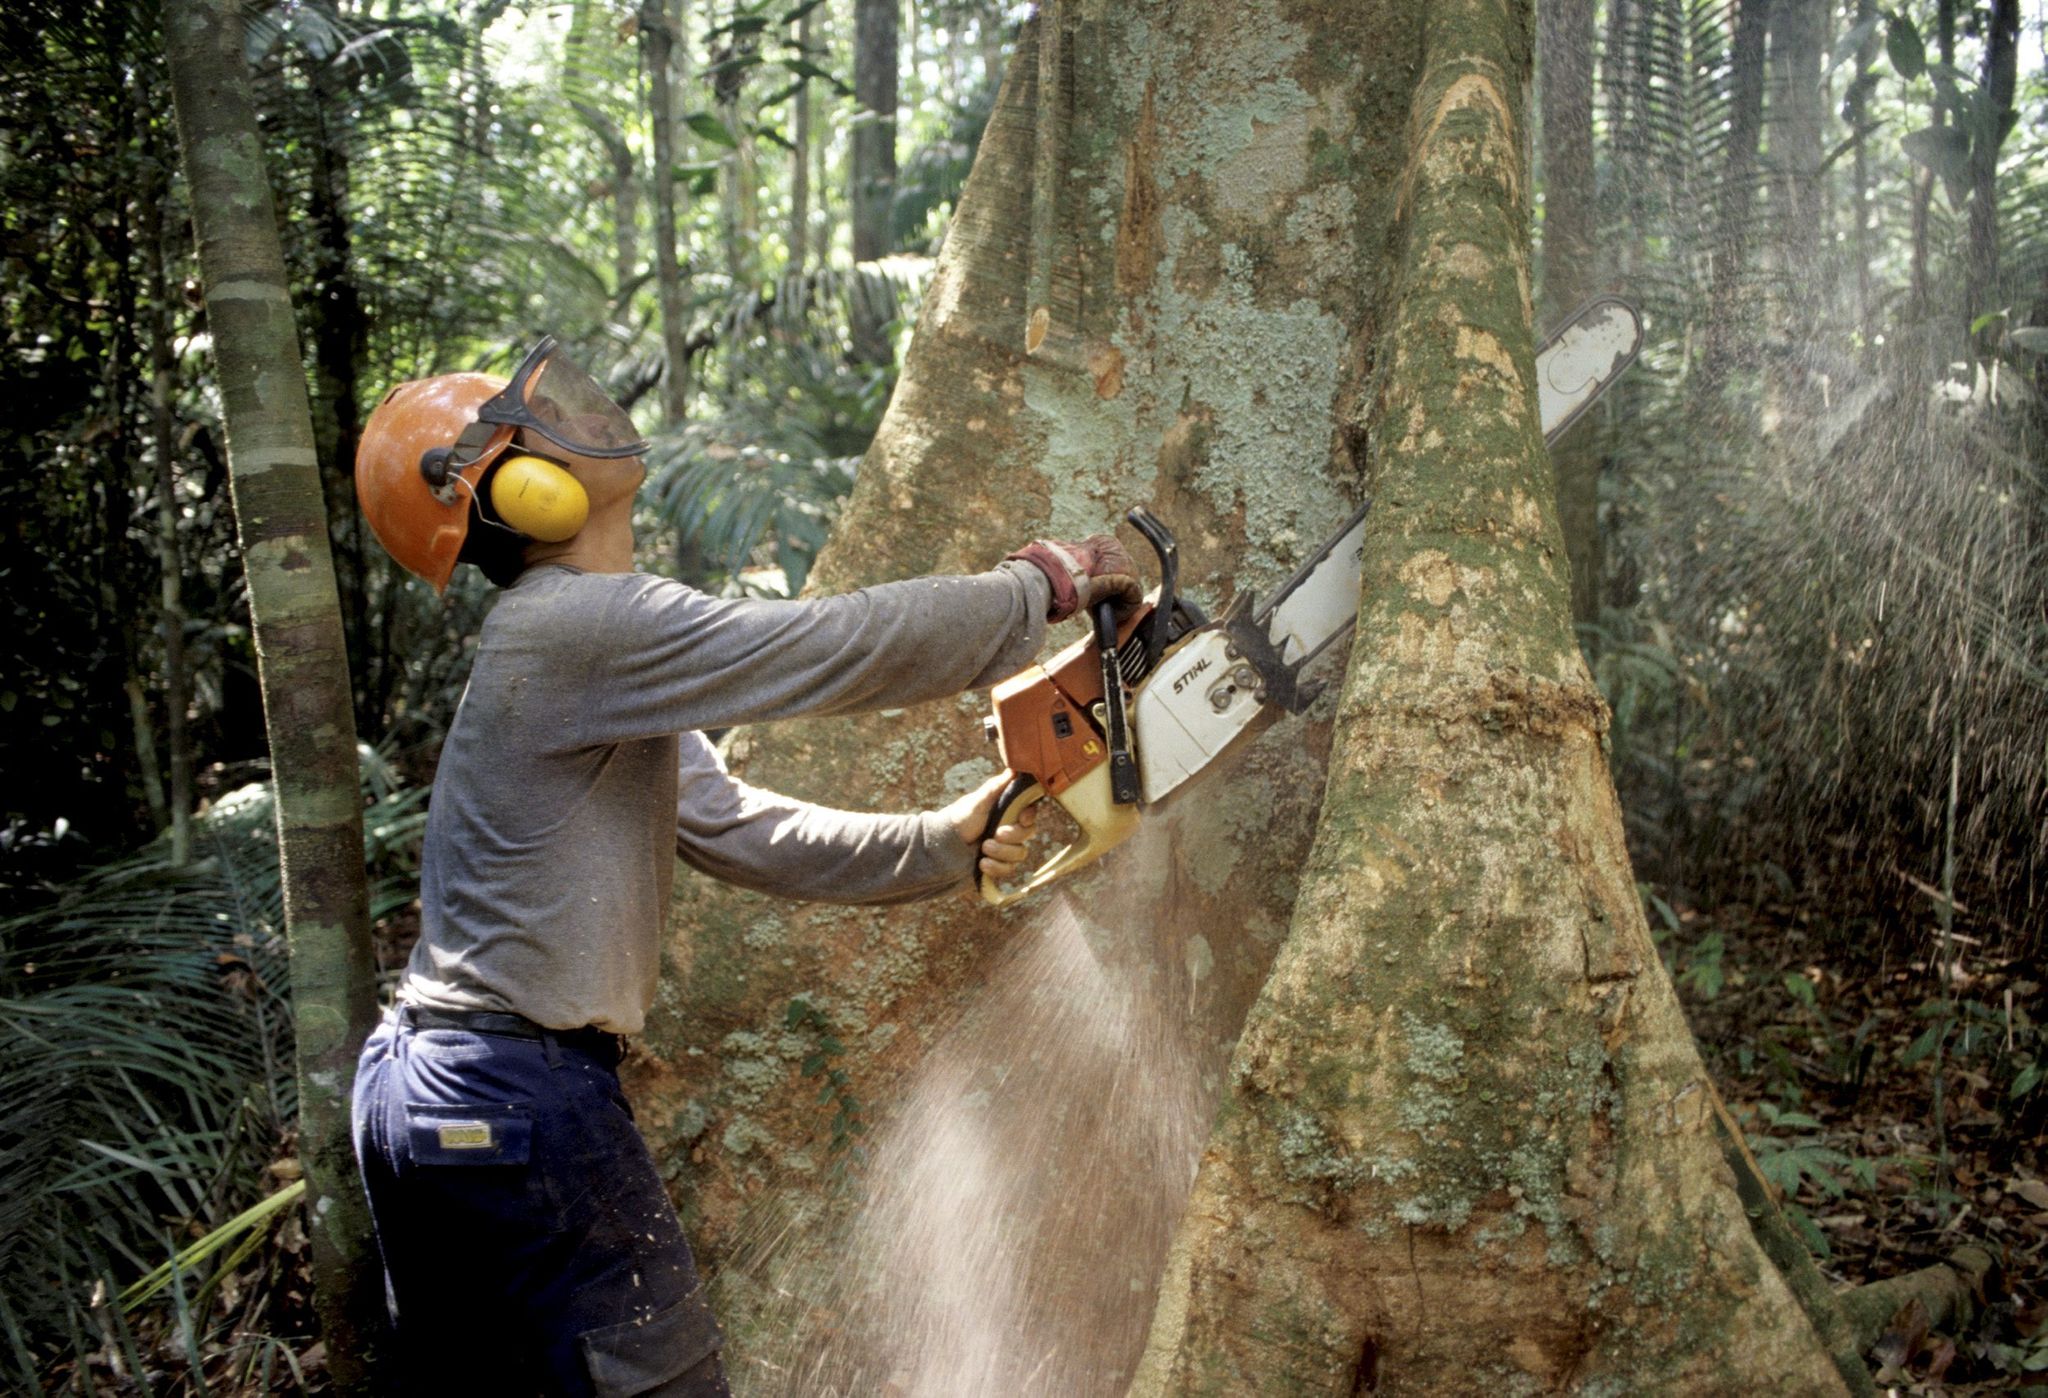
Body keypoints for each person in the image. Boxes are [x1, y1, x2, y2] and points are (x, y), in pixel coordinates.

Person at [347, 336, 1139, 1396]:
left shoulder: (591, 659)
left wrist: (935, 844)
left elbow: (737, 829)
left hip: (436, 1094)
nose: (585, 413)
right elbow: (824, 647)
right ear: (520, 493)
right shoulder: (572, 624)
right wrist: (1035, 587)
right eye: (537, 424)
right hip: (514, 1095)